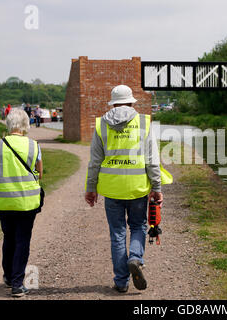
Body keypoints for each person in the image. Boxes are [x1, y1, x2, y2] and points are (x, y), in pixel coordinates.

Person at [85, 85, 172, 293]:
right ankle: (135, 257)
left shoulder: (101, 124)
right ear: (132, 102)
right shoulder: (143, 122)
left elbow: (94, 161)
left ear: (113, 103)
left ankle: (122, 281)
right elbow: (152, 160)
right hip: (138, 187)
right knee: (138, 226)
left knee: (117, 234)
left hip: (112, 189)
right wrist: (157, 187)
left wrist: (91, 188)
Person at [0, 107, 43, 297]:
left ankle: (7, 275)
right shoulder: (33, 145)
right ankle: (17, 283)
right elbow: (40, 173)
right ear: (25, 124)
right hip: (26, 202)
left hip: (3, 200)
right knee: (22, 240)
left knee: (8, 236)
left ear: (8, 123)